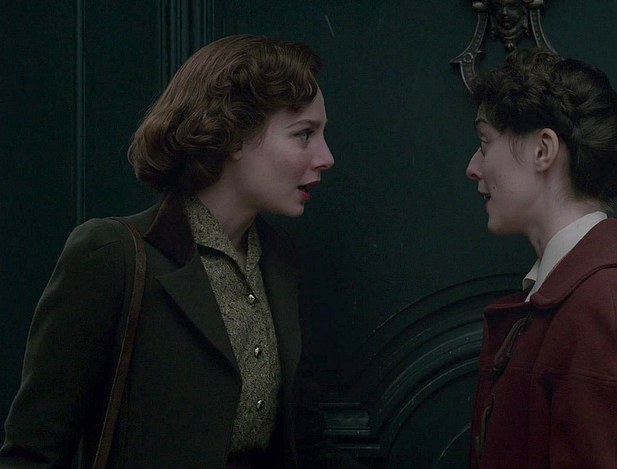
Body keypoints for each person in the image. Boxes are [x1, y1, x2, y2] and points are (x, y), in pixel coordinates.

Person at [1, 35, 365, 469]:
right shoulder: (109, 255)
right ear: (234, 135)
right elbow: (33, 453)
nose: (326, 157)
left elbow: (305, 446)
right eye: (304, 134)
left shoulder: (279, 261)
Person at [464, 48, 617, 468]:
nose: (473, 167)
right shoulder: (588, 297)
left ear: (543, 150)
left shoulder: (604, 313)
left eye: (485, 143)